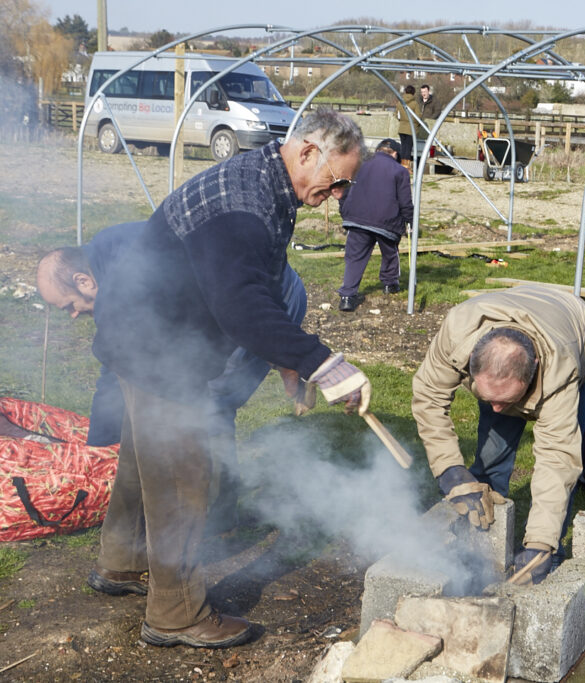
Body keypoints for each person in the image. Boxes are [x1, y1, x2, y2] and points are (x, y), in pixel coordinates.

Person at [87, 109, 373, 649]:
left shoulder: (265, 184)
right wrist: (322, 362)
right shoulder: (244, 203)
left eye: (346, 187)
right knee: (182, 476)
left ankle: (121, 564)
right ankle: (175, 614)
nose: (338, 196)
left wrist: (288, 361)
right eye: (338, 182)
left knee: (144, 459)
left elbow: (255, 285)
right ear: (308, 151)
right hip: (158, 347)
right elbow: (240, 304)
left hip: (141, 331)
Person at [35, 223, 313, 531]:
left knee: (213, 402)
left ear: (83, 281)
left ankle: (216, 516)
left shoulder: (126, 275)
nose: (73, 315)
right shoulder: (109, 261)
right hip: (227, 299)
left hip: (267, 300)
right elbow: (119, 360)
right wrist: (100, 441)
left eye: (69, 307)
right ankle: (288, 361)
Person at [412, 285, 585, 585]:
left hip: (579, 328)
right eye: (489, 396)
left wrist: (541, 544)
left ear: (534, 370)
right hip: (512, 312)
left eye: (507, 398)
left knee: (568, 456)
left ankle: (547, 555)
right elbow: (429, 396)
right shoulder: (457, 333)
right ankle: (478, 536)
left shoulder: (560, 368)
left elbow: (557, 460)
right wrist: (449, 470)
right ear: (472, 362)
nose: (498, 408)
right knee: (493, 448)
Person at [335, 138, 413, 312]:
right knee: (390, 252)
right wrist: (411, 222)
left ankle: (347, 297)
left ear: (378, 150)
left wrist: (346, 212)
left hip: (357, 218)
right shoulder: (400, 171)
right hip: (387, 221)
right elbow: (405, 202)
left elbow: (343, 189)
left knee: (355, 258)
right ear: (395, 154)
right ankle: (390, 284)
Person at [396, 84, 417, 168]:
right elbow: (418, 116)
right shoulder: (414, 103)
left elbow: (396, 115)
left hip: (401, 128)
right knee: (408, 148)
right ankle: (406, 166)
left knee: (403, 147)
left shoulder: (400, 102)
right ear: (413, 93)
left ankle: (402, 164)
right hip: (410, 129)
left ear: (405, 92)